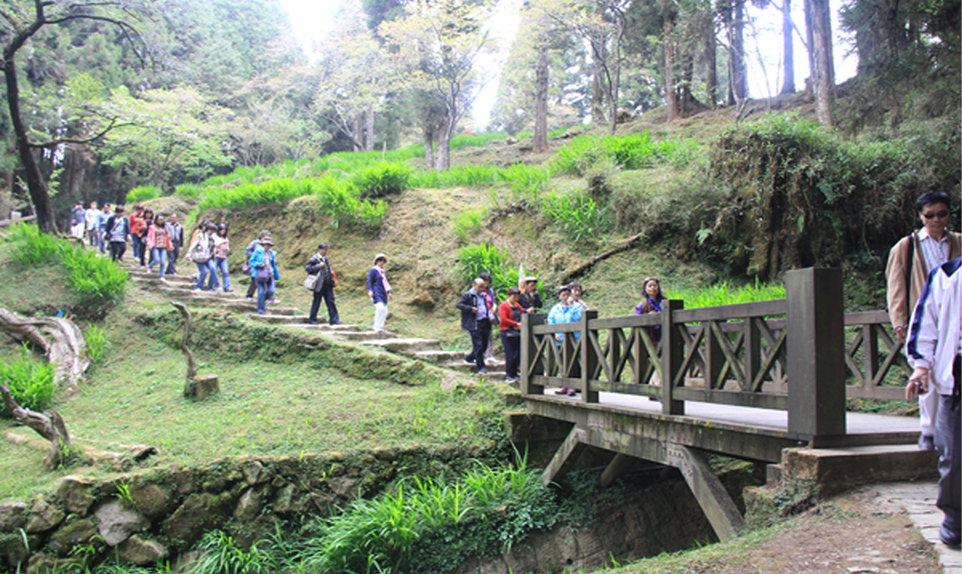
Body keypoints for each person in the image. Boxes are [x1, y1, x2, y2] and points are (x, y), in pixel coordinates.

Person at [886, 191, 961, 451]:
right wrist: (900, 322)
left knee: (950, 373)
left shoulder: (959, 242)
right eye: (930, 215)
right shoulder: (906, 247)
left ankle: (944, 429)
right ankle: (928, 430)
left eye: (942, 214)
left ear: (950, 214)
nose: (936, 220)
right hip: (923, 319)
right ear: (920, 216)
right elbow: (896, 288)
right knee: (924, 371)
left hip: (954, 318)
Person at [905, 257, 961, 548]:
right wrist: (921, 366)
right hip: (957, 379)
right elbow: (926, 323)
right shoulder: (947, 275)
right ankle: (955, 519)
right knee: (954, 455)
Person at [547, 284, 582, 395]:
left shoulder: (577, 307)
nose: (566, 297)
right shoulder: (555, 309)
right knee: (562, 362)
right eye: (563, 295)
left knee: (573, 363)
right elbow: (550, 320)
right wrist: (554, 334)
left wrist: (571, 307)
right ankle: (564, 385)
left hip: (574, 339)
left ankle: (574, 386)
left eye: (568, 294)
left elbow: (576, 319)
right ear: (559, 296)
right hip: (560, 339)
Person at [457, 278, 491, 374]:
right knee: (478, 344)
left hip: (484, 322)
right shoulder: (468, 295)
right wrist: (470, 308)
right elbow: (459, 305)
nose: (482, 288)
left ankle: (470, 357)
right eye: (480, 286)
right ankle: (481, 367)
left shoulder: (483, 295)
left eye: (483, 286)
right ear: (473, 285)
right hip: (474, 323)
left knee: (484, 345)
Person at [305, 243, 340, 325]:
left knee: (331, 301)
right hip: (319, 284)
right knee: (317, 301)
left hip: (327, 284)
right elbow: (308, 268)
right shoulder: (314, 259)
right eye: (324, 250)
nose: (325, 252)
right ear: (319, 250)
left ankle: (334, 319)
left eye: (327, 250)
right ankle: (312, 319)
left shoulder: (325, 259)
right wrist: (318, 266)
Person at [499, 287, 525, 383]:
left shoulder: (518, 306)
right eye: (514, 297)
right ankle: (509, 374)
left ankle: (515, 372)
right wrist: (515, 324)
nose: (516, 299)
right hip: (507, 333)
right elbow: (504, 319)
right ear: (509, 296)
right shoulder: (503, 306)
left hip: (517, 333)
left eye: (517, 297)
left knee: (519, 353)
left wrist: (521, 324)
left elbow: (523, 316)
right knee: (510, 354)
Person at [249, 236, 279, 314]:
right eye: (267, 244)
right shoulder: (257, 252)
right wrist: (258, 265)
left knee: (271, 291)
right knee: (261, 291)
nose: (268, 246)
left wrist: (275, 274)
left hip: (270, 274)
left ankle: (261, 301)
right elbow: (251, 261)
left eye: (270, 245)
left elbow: (273, 264)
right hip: (260, 274)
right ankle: (261, 309)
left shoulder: (271, 253)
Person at [187, 222, 218, 291]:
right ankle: (198, 287)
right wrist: (189, 253)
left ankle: (212, 286)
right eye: (211, 231)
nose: (212, 232)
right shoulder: (200, 236)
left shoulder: (213, 237)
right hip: (200, 257)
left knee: (213, 268)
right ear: (208, 230)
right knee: (204, 272)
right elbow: (193, 245)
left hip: (209, 257)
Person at [634, 277, 665, 343]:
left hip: (666, 335)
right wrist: (648, 317)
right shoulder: (642, 305)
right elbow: (635, 321)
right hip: (651, 338)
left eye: (655, 285)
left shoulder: (665, 302)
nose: (652, 288)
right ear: (645, 289)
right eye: (650, 286)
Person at [367, 253, 392, 332]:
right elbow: (370, 281)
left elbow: (385, 282)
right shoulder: (373, 270)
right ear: (376, 261)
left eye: (383, 261)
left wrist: (389, 292)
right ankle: (376, 327)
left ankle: (380, 327)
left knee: (384, 310)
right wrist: (370, 290)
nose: (382, 262)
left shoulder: (382, 272)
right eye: (380, 260)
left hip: (383, 292)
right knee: (380, 308)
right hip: (376, 291)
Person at [245, 230, 272, 301]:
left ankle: (268, 297)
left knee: (265, 279)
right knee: (255, 280)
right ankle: (249, 295)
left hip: (264, 266)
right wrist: (254, 257)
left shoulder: (267, 245)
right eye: (266, 237)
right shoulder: (255, 243)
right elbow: (247, 251)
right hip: (255, 265)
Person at [479, 272, 499, 365]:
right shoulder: (477, 291)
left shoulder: (490, 291)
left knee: (489, 336)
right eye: (484, 280)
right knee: (479, 337)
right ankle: (478, 356)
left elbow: (492, 301)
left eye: (488, 280)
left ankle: (489, 356)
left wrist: (494, 306)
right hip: (480, 316)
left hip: (489, 316)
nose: (486, 282)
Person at [146, 214, 173, 281]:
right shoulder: (152, 227)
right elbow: (149, 237)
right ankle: (149, 267)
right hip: (155, 246)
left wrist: (169, 244)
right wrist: (149, 244)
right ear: (156, 220)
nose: (161, 221)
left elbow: (168, 236)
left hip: (163, 246)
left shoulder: (165, 227)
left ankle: (161, 276)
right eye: (159, 220)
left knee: (163, 261)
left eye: (162, 220)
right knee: (157, 259)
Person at [213, 223, 232, 292]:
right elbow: (213, 244)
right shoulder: (214, 236)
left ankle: (227, 286)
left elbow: (227, 246)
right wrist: (221, 243)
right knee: (214, 271)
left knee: (225, 271)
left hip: (223, 256)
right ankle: (215, 285)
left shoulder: (225, 238)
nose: (223, 231)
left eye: (224, 230)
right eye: (222, 230)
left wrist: (227, 249)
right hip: (216, 256)